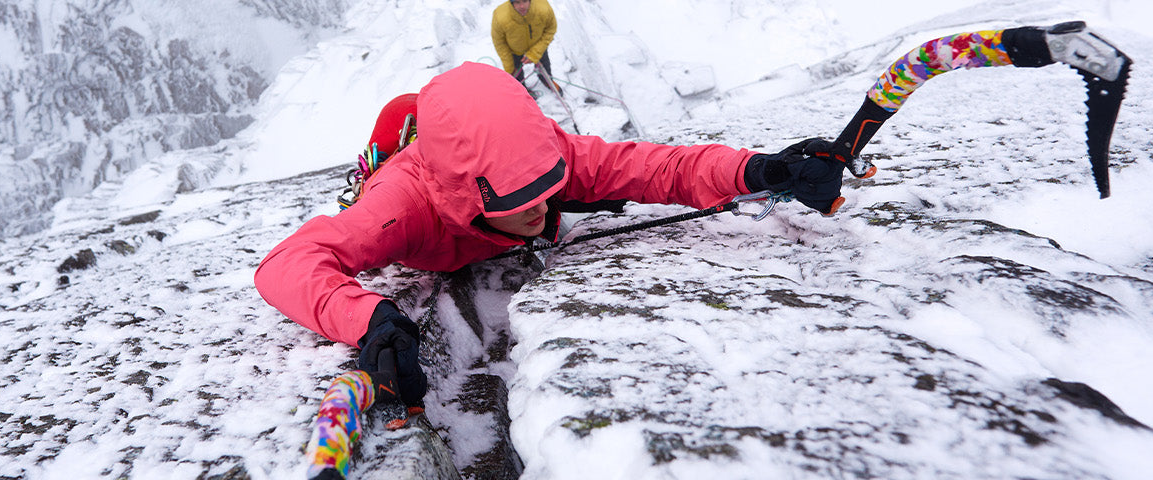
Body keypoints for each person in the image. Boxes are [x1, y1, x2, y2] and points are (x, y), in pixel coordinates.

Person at [255, 62, 849, 407]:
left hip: (470, 163)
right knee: (395, 126)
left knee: (606, 180)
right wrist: (367, 318)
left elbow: (659, 166)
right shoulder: (402, 205)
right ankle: (393, 138)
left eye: (550, 188)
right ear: (472, 198)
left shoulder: (551, 155)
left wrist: (764, 170)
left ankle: (416, 118)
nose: (543, 210)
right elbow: (287, 263)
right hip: (403, 174)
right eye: (520, 201)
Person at [491, 0, 558, 87]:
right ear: (511, 2)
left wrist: (535, 52)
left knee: (545, 65)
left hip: (538, 44)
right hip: (514, 51)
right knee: (516, 76)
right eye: (517, 2)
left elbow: (550, 29)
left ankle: (547, 80)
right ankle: (522, 90)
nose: (522, 6)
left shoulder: (543, 8)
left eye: (525, 1)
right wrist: (509, 66)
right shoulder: (500, 17)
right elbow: (499, 42)